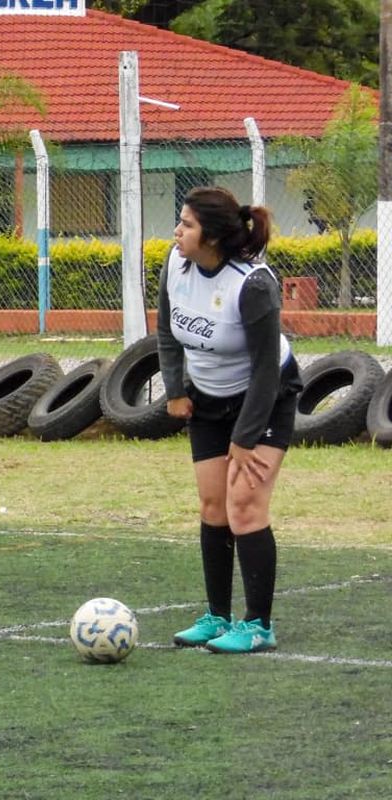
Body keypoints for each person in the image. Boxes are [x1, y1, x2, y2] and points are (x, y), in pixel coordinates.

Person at [157, 186, 302, 654]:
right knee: (212, 506)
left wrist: (245, 436)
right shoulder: (175, 265)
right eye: (179, 222)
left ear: (214, 237)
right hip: (207, 399)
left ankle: (258, 624)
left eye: (187, 225)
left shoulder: (253, 284)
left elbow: (264, 369)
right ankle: (217, 617)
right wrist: (175, 390)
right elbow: (166, 329)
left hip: (264, 397)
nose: (177, 231)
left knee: (244, 506)